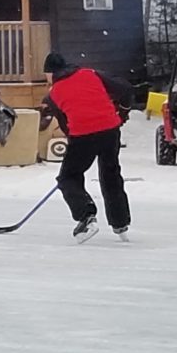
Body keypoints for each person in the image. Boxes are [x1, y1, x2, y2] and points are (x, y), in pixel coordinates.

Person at [41, 52, 134, 241]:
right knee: (110, 173)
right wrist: (122, 113)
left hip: (83, 135)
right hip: (110, 129)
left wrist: (75, 145)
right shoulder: (90, 73)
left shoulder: (53, 95)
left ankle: (86, 216)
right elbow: (125, 89)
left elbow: (66, 126)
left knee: (68, 177)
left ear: (51, 73)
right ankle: (120, 222)